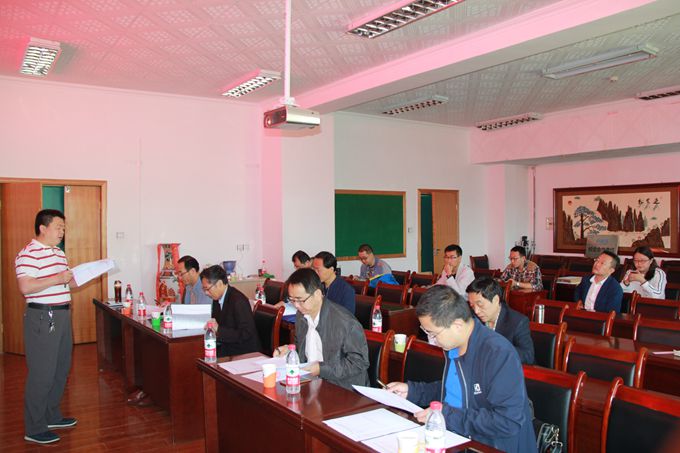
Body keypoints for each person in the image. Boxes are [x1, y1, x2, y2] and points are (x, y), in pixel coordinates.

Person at [385, 286, 536, 453]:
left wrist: (447, 416)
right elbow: (454, 391)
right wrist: (412, 391)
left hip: (489, 446)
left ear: (457, 325)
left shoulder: (497, 353)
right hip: (456, 437)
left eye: (434, 334)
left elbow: (507, 421)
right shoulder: (454, 346)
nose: (432, 340)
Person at [15, 210, 79, 444]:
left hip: (62, 315)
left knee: (61, 368)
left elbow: (66, 282)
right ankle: (34, 427)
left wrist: (83, 275)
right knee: (42, 373)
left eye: (64, 227)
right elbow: (26, 286)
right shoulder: (28, 253)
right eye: (58, 227)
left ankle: (52, 416)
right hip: (43, 316)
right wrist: (58, 278)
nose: (62, 231)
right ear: (43, 228)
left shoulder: (58, 253)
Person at [273, 268, 369, 390]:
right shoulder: (301, 315)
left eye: (300, 300)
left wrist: (321, 369)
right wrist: (289, 351)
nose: (296, 305)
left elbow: (359, 362)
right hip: (312, 382)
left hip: (343, 389)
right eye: (292, 300)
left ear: (318, 294)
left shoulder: (345, 322)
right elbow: (303, 348)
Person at [466, 277, 534, 364]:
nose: (476, 311)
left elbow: (528, 356)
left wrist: (495, 351)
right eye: (472, 305)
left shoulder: (517, 321)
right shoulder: (472, 317)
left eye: (480, 305)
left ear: (495, 300)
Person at [201, 265, 260, 357]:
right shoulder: (217, 298)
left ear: (219, 283)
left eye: (207, 289)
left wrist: (218, 330)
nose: (206, 293)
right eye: (204, 289)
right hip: (226, 346)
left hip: (243, 351)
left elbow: (246, 333)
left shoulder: (238, 301)